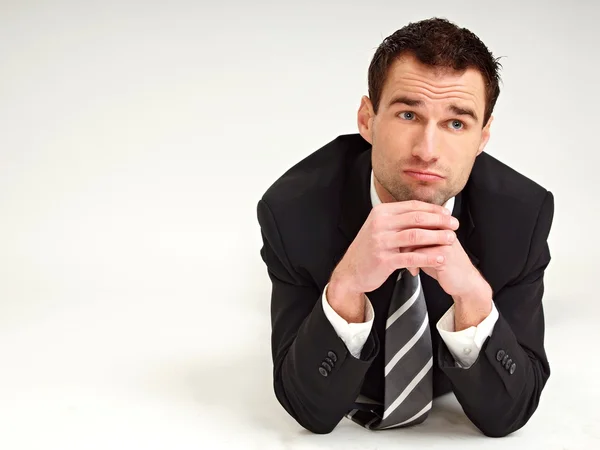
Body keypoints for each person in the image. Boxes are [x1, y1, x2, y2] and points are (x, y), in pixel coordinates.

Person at [256, 17, 554, 437]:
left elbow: (509, 413)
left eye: (456, 123)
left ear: (483, 137)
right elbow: (309, 410)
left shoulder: (521, 218)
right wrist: (344, 287)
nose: (428, 151)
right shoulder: (292, 213)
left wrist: (473, 296)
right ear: (367, 119)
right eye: (408, 113)